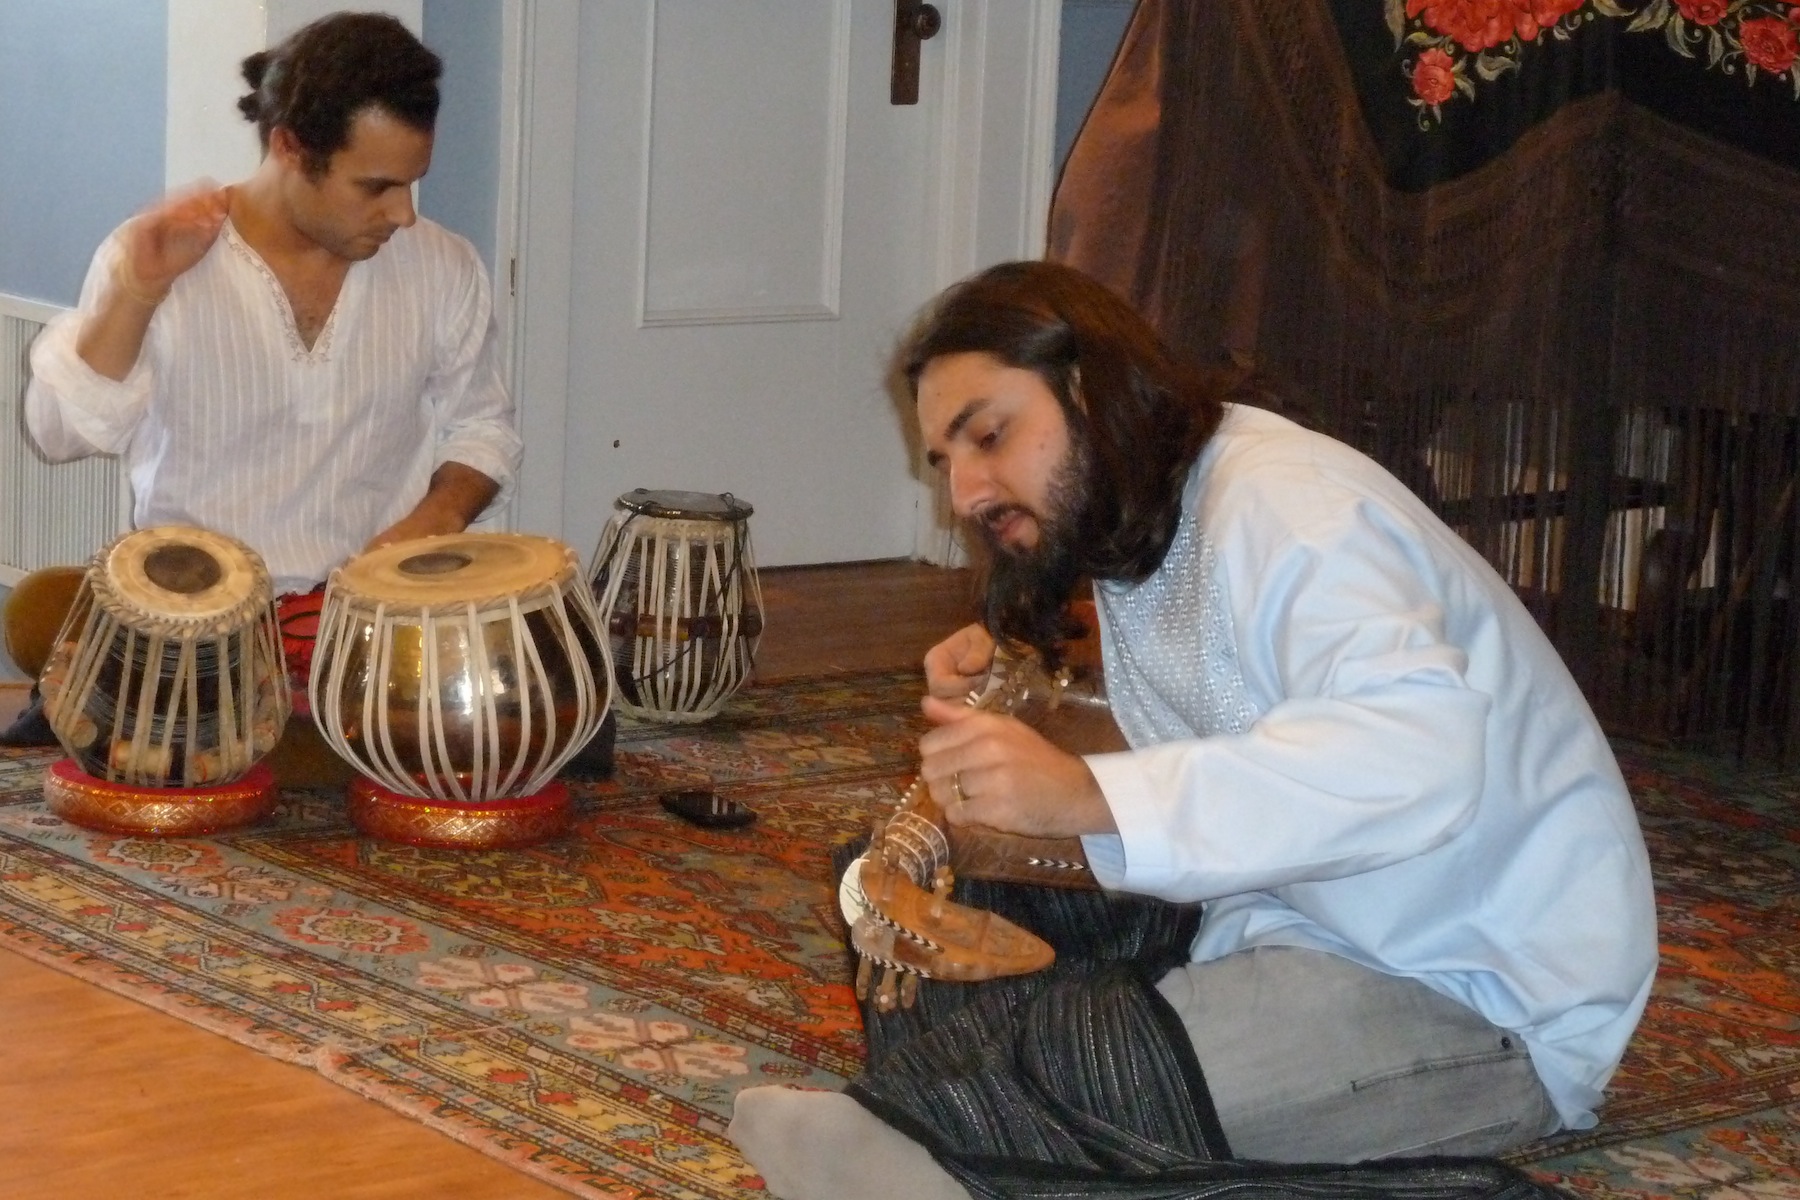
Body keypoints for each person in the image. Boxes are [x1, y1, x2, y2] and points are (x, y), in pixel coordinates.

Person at [728, 260, 1657, 1199]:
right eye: (946, 462)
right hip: (1279, 919)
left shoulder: (1289, 508)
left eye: (990, 437)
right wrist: (1024, 718)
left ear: (1088, 391)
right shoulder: (1150, 519)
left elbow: (1418, 755)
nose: (965, 492)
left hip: (1468, 995)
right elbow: (1228, 728)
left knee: (1084, 1051)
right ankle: (973, 1126)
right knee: (914, 890)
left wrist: (1084, 794)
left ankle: (948, 1143)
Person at [2, 12, 526, 750]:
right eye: (374, 186)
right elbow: (59, 434)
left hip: (373, 627)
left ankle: (245, 733)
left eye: (412, 185)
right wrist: (137, 291)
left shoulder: (443, 266)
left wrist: (429, 524)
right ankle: (270, 732)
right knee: (39, 610)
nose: (402, 214)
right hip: (196, 623)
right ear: (289, 147)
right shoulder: (161, 255)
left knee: (512, 698)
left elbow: (484, 429)